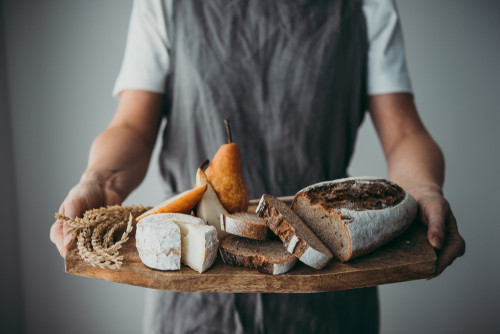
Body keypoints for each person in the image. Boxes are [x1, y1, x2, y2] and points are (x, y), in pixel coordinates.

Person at [50, 0, 465, 333]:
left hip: (328, 292)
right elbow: (131, 127)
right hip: (194, 296)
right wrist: (100, 180)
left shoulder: (366, 7)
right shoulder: (164, 5)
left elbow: (404, 134)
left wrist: (425, 188)